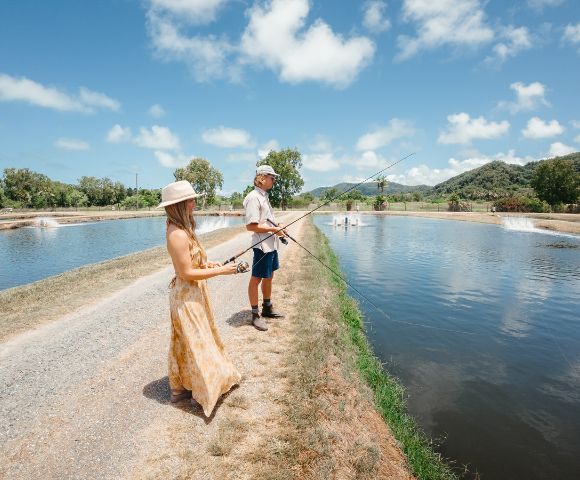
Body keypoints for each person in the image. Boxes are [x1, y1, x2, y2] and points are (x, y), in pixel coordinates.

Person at [159, 180, 242, 416]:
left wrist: (208, 263)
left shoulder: (185, 229)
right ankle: (200, 391)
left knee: (191, 340)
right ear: (180, 205)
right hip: (186, 296)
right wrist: (223, 270)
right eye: (191, 200)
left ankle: (181, 389)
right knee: (197, 342)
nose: (195, 203)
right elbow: (185, 272)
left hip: (194, 292)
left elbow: (192, 262)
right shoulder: (177, 234)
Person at [243, 165, 287, 332]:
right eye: (272, 177)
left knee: (269, 276)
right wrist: (274, 229)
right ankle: (255, 315)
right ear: (262, 177)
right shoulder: (253, 198)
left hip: (271, 245)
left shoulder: (263, 196)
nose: (274, 180)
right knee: (256, 279)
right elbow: (251, 226)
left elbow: (267, 220)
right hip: (261, 246)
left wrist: (279, 226)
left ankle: (267, 308)